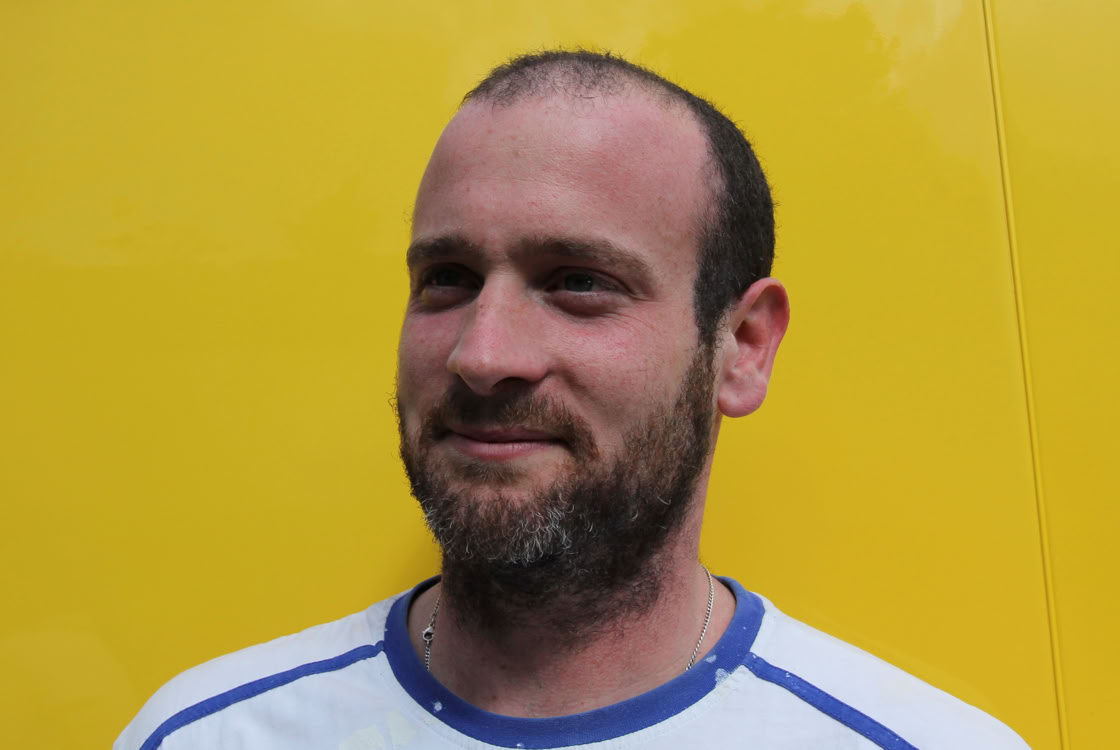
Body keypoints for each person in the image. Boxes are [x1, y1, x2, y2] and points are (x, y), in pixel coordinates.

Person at [116, 50, 1029, 750]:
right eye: (448, 277)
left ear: (743, 347)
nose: (482, 356)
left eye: (579, 282)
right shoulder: (208, 737)